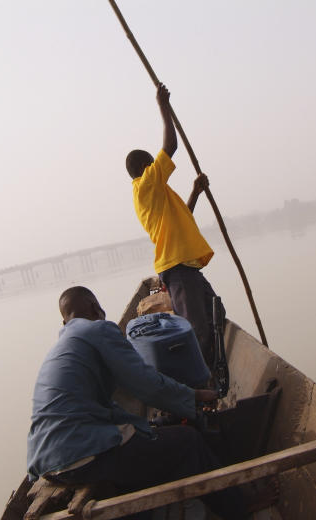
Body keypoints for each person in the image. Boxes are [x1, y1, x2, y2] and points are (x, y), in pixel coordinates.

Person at [26, 286, 245, 520]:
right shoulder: (98, 329)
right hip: (81, 452)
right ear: (93, 307)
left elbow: (107, 405)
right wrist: (194, 396)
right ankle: (239, 508)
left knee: (150, 439)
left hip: (45, 461)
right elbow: (147, 385)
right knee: (188, 441)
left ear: (64, 319)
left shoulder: (63, 345)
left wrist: (146, 427)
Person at [126, 83, 224, 368]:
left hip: (185, 266)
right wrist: (163, 106)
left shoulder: (160, 195)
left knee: (214, 312)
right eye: (154, 163)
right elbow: (170, 146)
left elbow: (185, 218)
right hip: (177, 267)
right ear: (147, 167)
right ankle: (200, 387)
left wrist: (196, 191)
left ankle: (208, 372)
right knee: (198, 330)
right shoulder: (145, 186)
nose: (160, 166)